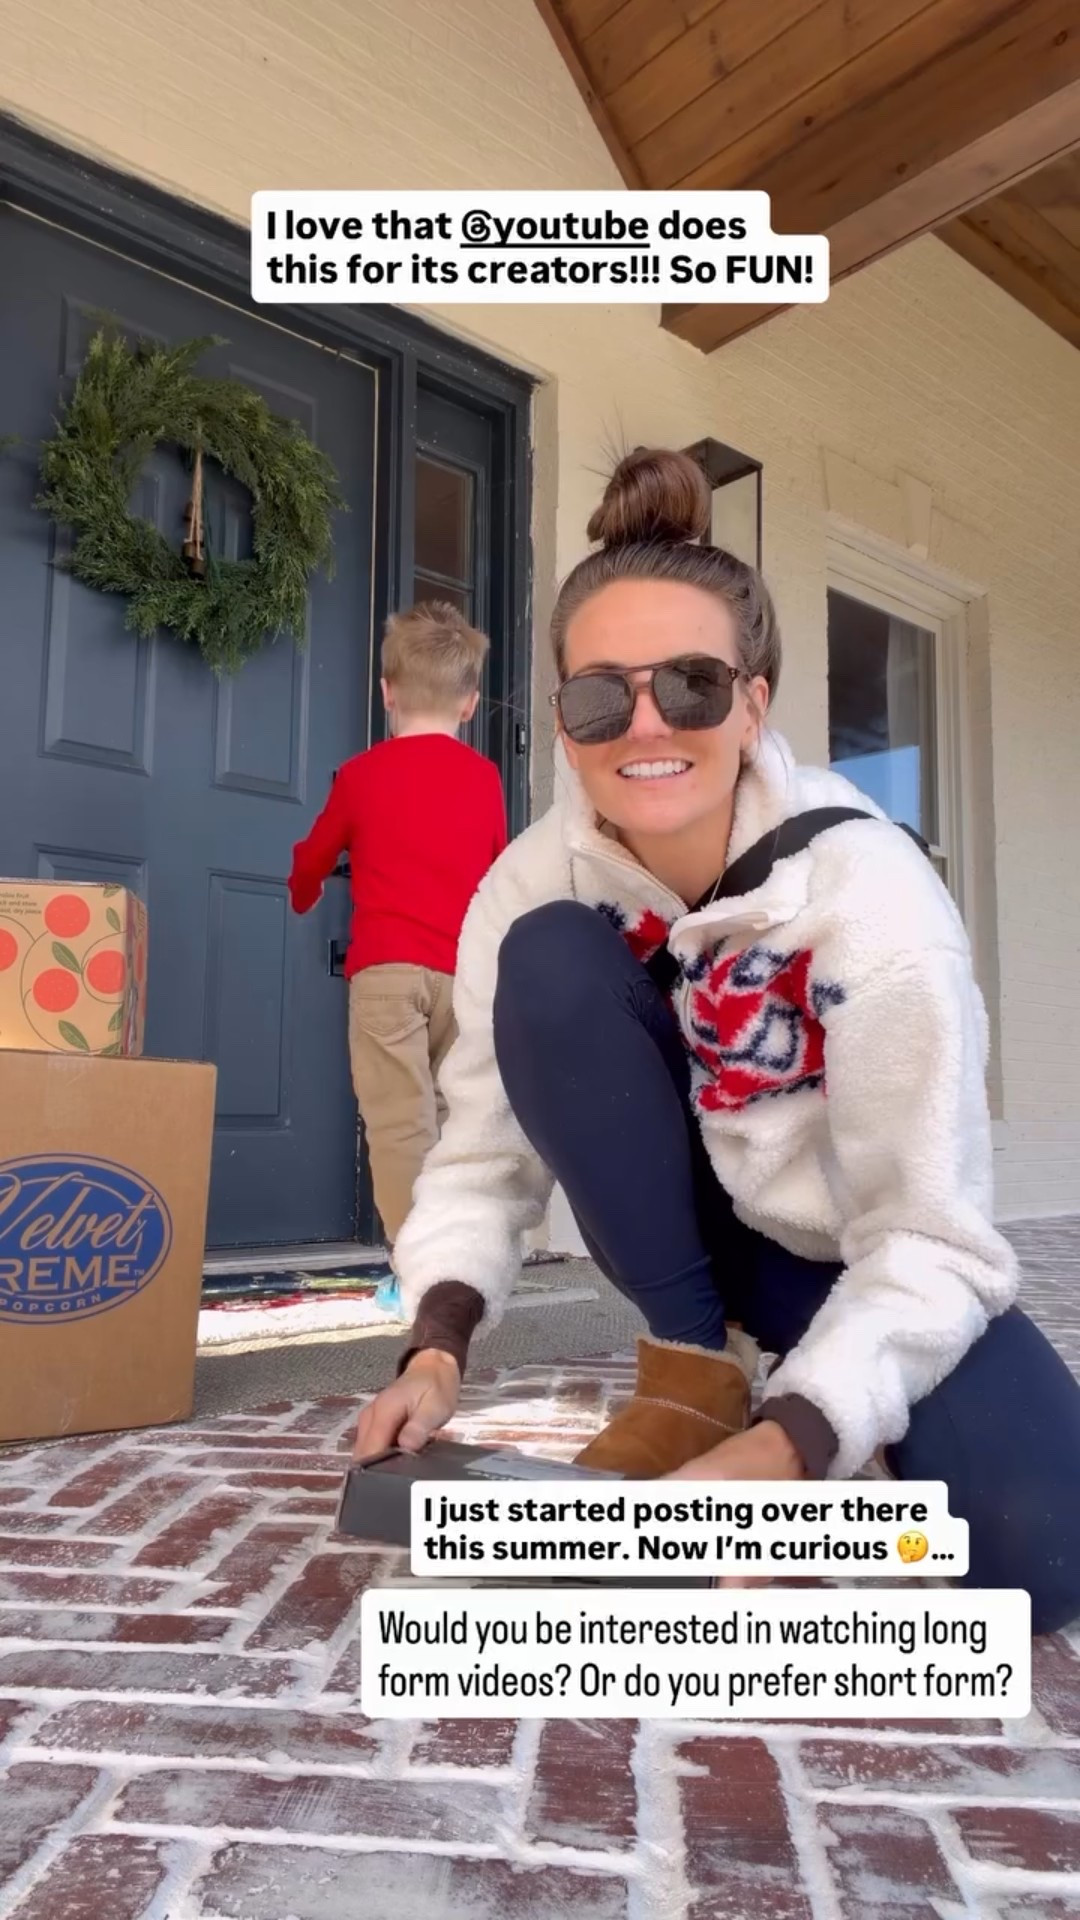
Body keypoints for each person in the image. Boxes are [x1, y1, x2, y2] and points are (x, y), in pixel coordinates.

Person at [354, 450, 1080, 1635]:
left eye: (692, 685)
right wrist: (434, 1347)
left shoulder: (871, 896)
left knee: (1040, 1555)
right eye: (600, 695)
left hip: (840, 1252)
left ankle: (793, 1395)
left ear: (754, 700)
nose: (645, 726)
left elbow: (932, 1236)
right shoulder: (527, 883)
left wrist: (797, 1443)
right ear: (561, 722)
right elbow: (483, 1154)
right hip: (677, 1234)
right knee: (554, 955)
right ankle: (694, 1367)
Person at [288, 601, 507, 1249]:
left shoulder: (361, 776)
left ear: (386, 693)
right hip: (461, 978)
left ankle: (418, 1264)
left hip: (387, 975)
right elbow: (499, 871)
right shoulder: (485, 778)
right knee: (446, 1117)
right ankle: (457, 1255)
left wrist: (302, 889)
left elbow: (315, 856)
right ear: (469, 703)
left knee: (397, 1125)